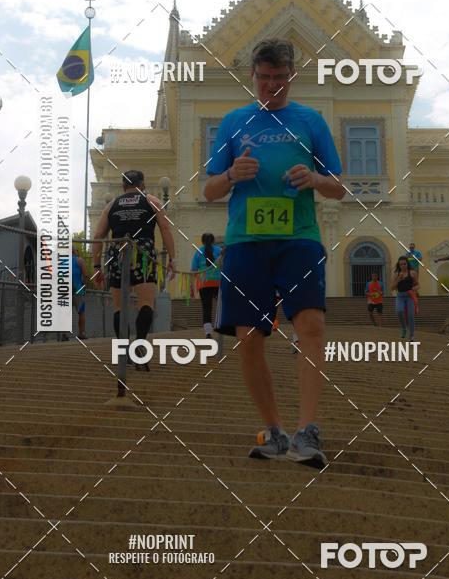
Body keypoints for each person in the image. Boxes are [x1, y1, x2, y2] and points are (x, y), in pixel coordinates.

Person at [205, 38, 345, 468]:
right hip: (246, 242)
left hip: (299, 237)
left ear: (291, 78)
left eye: (279, 79)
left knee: (311, 324)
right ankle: (275, 431)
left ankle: (307, 430)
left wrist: (316, 179)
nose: (271, 87)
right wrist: (231, 174)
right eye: (264, 79)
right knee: (248, 339)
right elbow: (208, 191)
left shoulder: (310, 121)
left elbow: (339, 187)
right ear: (253, 77)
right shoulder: (232, 123)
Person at [92, 170, 176, 369]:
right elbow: (165, 228)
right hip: (143, 253)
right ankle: (139, 346)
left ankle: (123, 353)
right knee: (146, 303)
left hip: (117, 252)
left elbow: (98, 235)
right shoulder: (151, 200)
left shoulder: (112, 205)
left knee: (120, 307)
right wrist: (172, 258)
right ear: (143, 184)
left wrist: (97, 266)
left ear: (123, 186)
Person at [190, 233, 222, 339]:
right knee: (220, 306)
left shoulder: (198, 252)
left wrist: (191, 288)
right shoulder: (219, 250)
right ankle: (220, 326)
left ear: (202, 241)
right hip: (218, 283)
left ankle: (208, 332)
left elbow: (193, 270)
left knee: (206, 308)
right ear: (213, 241)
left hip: (203, 284)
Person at [391, 255, 418, 339]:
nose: (403, 266)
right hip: (400, 296)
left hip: (410, 296)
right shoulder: (396, 274)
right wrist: (399, 279)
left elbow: (418, 285)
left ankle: (412, 335)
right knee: (399, 311)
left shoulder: (413, 273)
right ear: (399, 265)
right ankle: (403, 328)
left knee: (411, 315)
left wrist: (414, 288)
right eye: (401, 264)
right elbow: (392, 288)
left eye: (404, 264)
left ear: (407, 264)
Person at [72, 244, 89, 340]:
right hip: (78, 290)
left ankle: (64, 335)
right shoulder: (79, 260)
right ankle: (81, 333)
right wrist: (84, 285)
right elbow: (85, 275)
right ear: (75, 251)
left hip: (64, 291)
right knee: (81, 313)